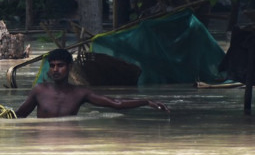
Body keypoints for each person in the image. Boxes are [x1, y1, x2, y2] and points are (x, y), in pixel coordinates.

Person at [15, 48, 169, 118]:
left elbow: (116, 103)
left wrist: (146, 102)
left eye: (60, 65)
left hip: (69, 142)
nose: (55, 70)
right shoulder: (40, 90)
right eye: (52, 65)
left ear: (70, 67)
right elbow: (19, 116)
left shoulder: (81, 93)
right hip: (44, 145)